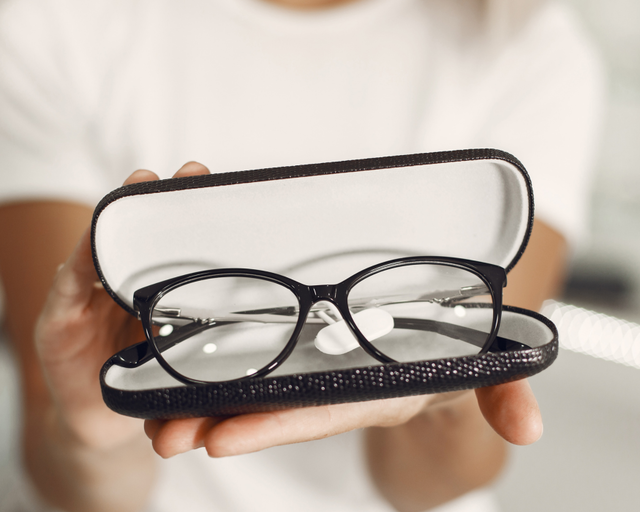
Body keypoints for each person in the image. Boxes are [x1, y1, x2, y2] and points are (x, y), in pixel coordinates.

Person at [0, 0, 603, 511]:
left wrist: (443, 399)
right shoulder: (53, 23)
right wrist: (92, 440)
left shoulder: (529, 44)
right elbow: (69, 473)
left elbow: (434, 484)